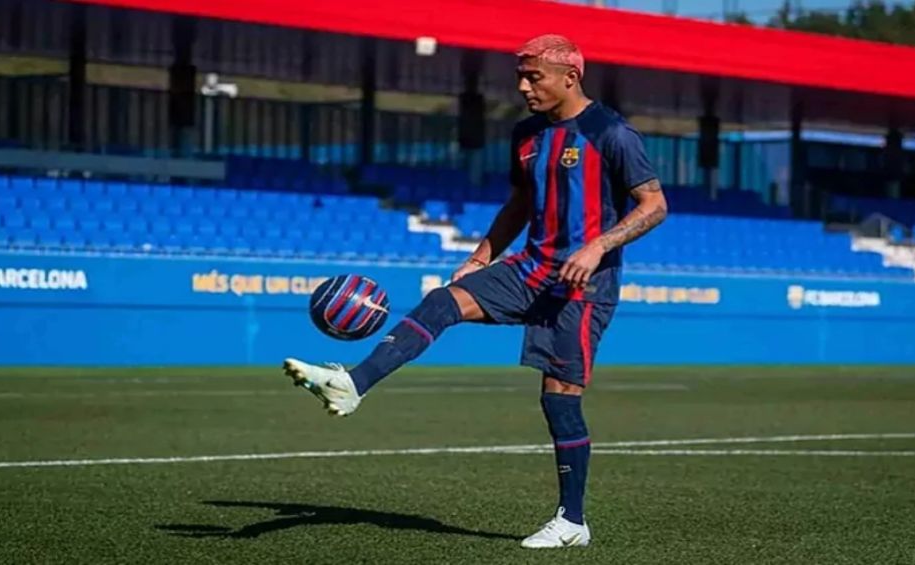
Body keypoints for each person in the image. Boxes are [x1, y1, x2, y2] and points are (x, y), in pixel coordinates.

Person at [283, 34, 667, 549]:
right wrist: (483, 254)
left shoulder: (612, 133)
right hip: (530, 268)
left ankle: (572, 521)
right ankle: (353, 384)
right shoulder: (527, 134)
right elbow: (519, 202)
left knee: (559, 401)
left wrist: (597, 247)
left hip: (583, 285)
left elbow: (653, 205)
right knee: (443, 300)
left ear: (571, 77)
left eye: (535, 77)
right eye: (521, 76)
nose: (523, 86)